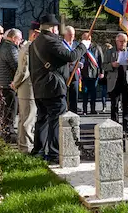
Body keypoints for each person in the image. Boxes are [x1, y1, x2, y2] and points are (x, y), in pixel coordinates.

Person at [29, 14, 89, 164]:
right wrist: (83, 46)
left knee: (42, 120)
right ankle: (54, 153)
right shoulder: (51, 41)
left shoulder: (35, 43)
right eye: (56, 27)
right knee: (55, 120)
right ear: (53, 28)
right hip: (53, 87)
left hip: (39, 86)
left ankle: (38, 151)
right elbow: (70, 56)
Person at [12, 22, 40, 153]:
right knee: (28, 120)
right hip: (28, 88)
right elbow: (24, 70)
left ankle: (22, 146)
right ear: (34, 34)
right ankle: (27, 148)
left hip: (24, 88)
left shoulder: (26, 46)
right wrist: (16, 83)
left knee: (23, 119)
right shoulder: (30, 47)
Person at [102, 33, 128, 133]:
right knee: (115, 104)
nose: (123, 43)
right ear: (116, 41)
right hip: (114, 81)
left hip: (127, 81)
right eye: (121, 41)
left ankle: (126, 124)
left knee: (127, 105)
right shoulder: (109, 52)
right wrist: (112, 65)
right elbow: (104, 66)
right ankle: (115, 124)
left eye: (125, 41)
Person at [0, 28, 23, 141]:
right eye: (19, 39)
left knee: (8, 110)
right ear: (13, 38)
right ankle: (9, 134)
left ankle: (7, 132)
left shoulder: (5, 46)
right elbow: (17, 66)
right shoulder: (10, 48)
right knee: (10, 110)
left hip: (5, 83)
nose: (20, 42)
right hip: (9, 84)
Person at [80, 32, 104, 116]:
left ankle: (93, 109)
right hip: (84, 74)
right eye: (84, 39)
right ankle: (84, 109)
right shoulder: (80, 48)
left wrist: (102, 72)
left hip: (94, 74)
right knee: (85, 93)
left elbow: (101, 61)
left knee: (93, 93)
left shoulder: (97, 48)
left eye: (88, 39)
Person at [63, 26, 81, 113]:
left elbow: (82, 56)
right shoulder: (61, 44)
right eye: (70, 35)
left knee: (74, 94)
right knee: (64, 95)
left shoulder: (76, 45)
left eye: (73, 35)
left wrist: (81, 63)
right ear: (65, 34)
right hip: (64, 73)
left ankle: (73, 112)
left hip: (74, 73)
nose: (72, 37)